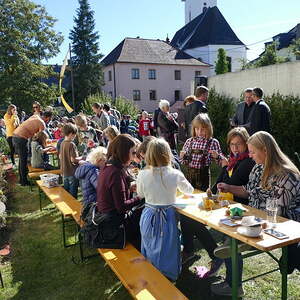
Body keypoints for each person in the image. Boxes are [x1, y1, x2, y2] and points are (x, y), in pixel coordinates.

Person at [211, 131, 300, 297]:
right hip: (257, 217)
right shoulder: (259, 167)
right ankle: (237, 243)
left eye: (252, 152)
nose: (250, 156)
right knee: (224, 229)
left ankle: (240, 244)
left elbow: (278, 210)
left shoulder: (288, 175)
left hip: (283, 225)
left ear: (265, 150)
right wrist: (229, 188)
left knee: (230, 238)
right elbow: (249, 192)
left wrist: (251, 220)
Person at [136, 138, 194, 281]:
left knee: (150, 242)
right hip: (168, 215)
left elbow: (140, 194)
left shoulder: (143, 174)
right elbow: (190, 190)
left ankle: (151, 270)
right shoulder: (174, 174)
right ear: (167, 154)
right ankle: (167, 273)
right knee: (168, 245)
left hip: (149, 213)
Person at [96, 134, 142, 249]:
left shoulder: (108, 165)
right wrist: (141, 196)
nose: (133, 157)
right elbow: (121, 207)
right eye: (133, 153)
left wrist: (129, 188)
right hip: (114, 225)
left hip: (108, 218)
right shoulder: (115, 172)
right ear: (123, 152)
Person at [180, 113, 226, 191]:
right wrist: (183, 157)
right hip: (190, 177)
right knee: (189, 195)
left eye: (203, 128)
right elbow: (184, 162)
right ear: (193, 129)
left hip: (203, 177)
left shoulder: (212, 142)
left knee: (202, 197)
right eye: (197, 128)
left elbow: (222, 163)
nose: (200, 131)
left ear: (208, 128)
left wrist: (217, 156)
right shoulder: (189, 141)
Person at [211, 127, 255, 205]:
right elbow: (219, 182)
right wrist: (210, 195)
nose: (235, 148)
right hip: (225, 202)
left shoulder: (248, 161)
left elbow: (230, 184)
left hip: (238, 207)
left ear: (246, 143)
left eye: (239, 144)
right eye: (232, 144)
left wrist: (225, 167)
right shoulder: (233, 159)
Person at [12, 111, 53, 186]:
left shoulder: (35, 116)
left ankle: (22, 180)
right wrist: (48, 147)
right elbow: (42, 138)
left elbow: (34, 135)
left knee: (22, 160)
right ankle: (24, 182)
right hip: (21, 139)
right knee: (23, 161)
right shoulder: (42, 123)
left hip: (15, 136)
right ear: (48, 118)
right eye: (49, 119)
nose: (49, 121)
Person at [59, 123, 82, 198]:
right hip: (72, 172)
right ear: (71, 134)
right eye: (75, 135)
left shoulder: (62, 143)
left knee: (66, 191)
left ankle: (67, 205)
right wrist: (81, 158)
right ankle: (73, 208)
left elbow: (60, 156)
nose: (75, 137)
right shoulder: (71, 144)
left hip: (64, 171)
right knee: (73, 193)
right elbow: (73, 160)